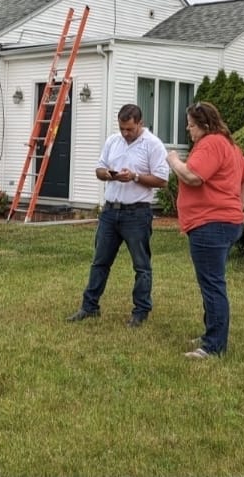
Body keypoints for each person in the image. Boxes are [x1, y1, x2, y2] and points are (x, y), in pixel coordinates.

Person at [166, 101, 244, 359]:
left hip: (210, 224)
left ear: (204, 125)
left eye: (192, 125)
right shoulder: (229, 145)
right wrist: (236, 206)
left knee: (212, 284)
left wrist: (173, 160)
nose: (188, 129)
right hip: (225, 222)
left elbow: (193, 176)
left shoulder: (211, 143)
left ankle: (213, 346)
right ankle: (211, 333)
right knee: (211, 281)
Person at [67, 104, 169, 327]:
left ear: (140, 123)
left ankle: (140, 311)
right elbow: (99, 170)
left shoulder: (153, 145)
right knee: (100, 262)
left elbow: (162, 180)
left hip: (137, 213)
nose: (125, 133)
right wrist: (110, 175)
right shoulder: (113, 141)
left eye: (130, 129)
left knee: (141, 266)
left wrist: (134, 177)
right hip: (110, 212)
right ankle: (89, 307)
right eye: (122, 128)